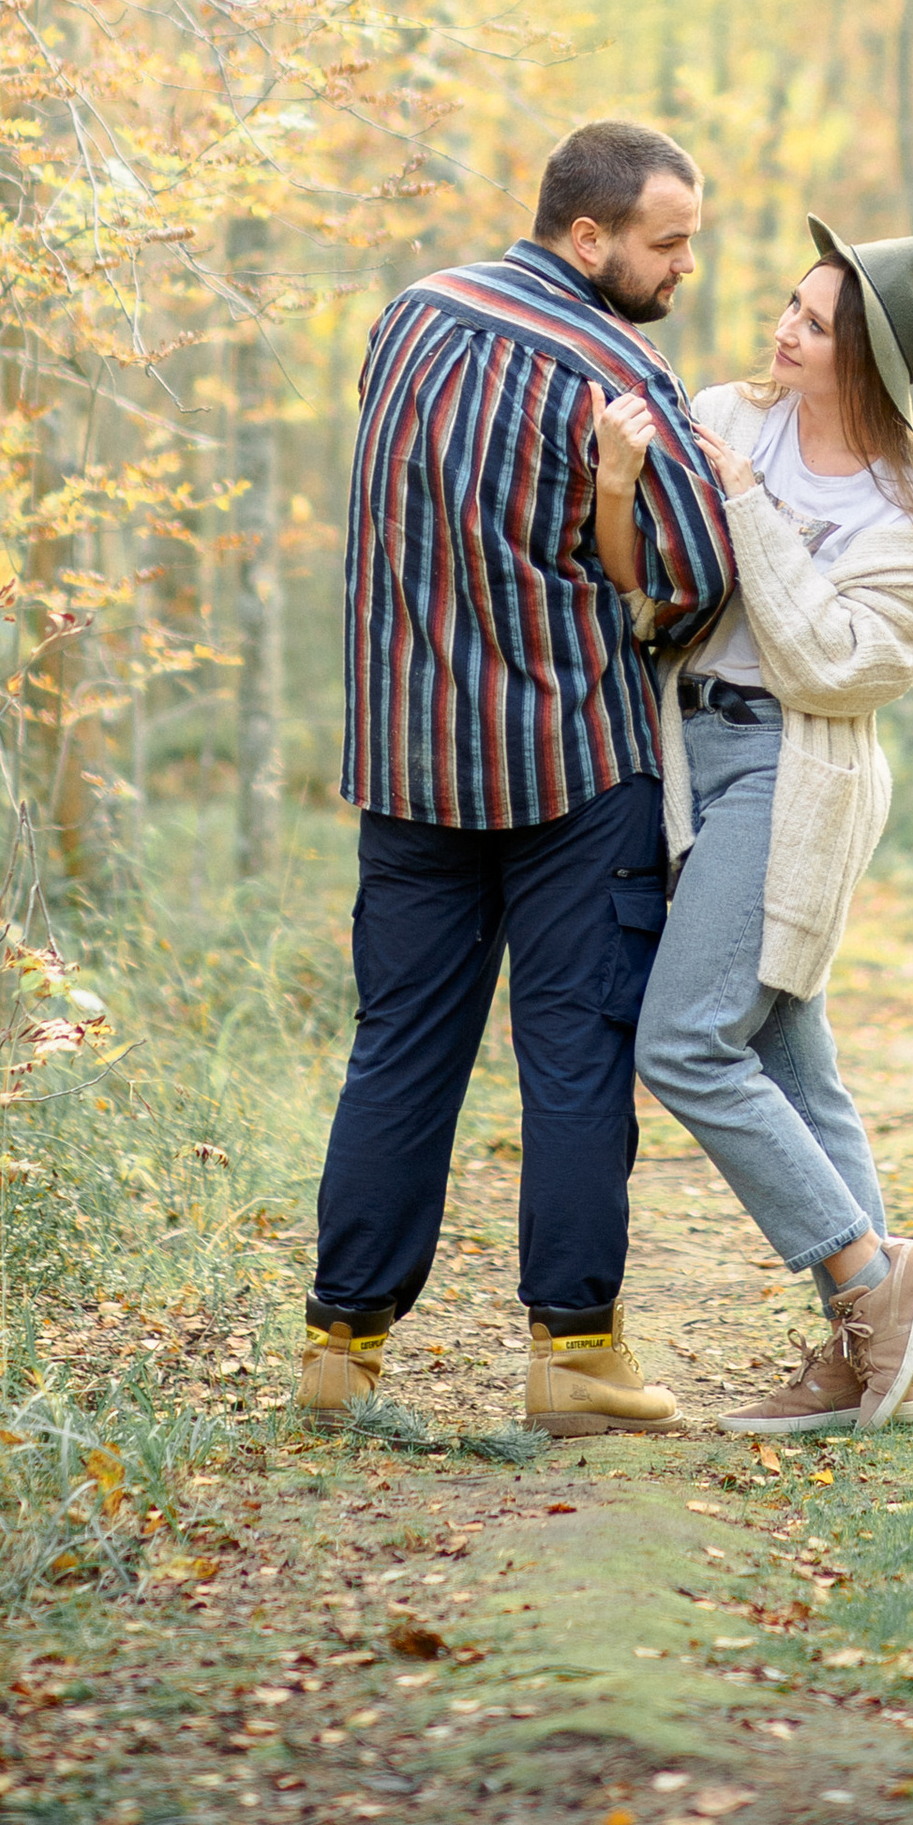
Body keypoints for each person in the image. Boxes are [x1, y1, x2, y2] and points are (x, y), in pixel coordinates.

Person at [300, 120, 737, 1436]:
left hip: (407, 759)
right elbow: (696, 576)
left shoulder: (408, 317)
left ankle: (339, 1355)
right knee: (576, 1060)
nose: (684, 270)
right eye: (668, 245)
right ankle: (576, 1365)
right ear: (589, 236)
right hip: (569, 772)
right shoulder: (617, 368)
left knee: (399, 1053)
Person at [593, 215, 913, 1436]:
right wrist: (624, 483)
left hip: (794, 773)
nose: (782, 330)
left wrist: (749, 504)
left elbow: (827, 667)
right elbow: (648, 572)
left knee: (691, 1040)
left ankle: (867, 1283)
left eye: (813, 322)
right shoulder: (729, 411)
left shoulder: (907, 508)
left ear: (864, 356)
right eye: (789, 307)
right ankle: (865, 1358)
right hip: (684, 758)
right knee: (796, 1061)